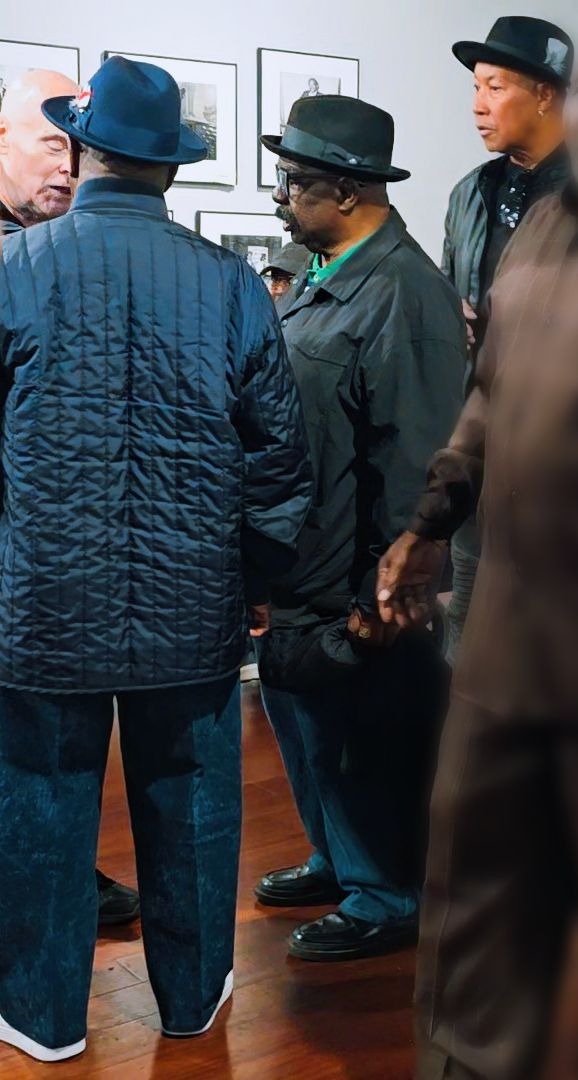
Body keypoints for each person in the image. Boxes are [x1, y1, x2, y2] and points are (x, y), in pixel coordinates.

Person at [0, 56, 311, 1062]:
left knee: (42, 811)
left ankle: (42, 1018)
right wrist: (257, 582)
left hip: (43, 603)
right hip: (192, 602)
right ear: (169, 167)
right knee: (193, 805)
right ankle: (192, 998)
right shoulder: (230, 283)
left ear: (85, 149)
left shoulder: (14, 271)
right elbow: (277, 457)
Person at [376, 61, 578, 1080]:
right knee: (473, 869)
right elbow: (488, 391)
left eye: (499, 86)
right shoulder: (533, 224)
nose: (479, 104)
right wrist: (429, 522)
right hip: (511, 613)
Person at [254, 95, 466, 961]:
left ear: (346, 191)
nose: (280, 197)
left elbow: (417, 455)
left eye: (293, 182)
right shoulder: (323, 274)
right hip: (302, 565)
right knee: (309, 732)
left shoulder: (405, 292)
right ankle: (339, 860)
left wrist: (390, 586)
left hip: (355, 573)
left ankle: (384, 892)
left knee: (364, 741)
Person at [0, 67, 141, 927]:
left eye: (76, 149)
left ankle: (54, 880)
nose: (68, 165)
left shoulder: (50, 254)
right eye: (52, 143)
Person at [442, 16, 572, 663]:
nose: (478, 105)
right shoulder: (471, 193)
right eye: (475, 87)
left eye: (494, 87)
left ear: (545, 94)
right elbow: (454, 290)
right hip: (484, 458)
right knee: (465, 649)